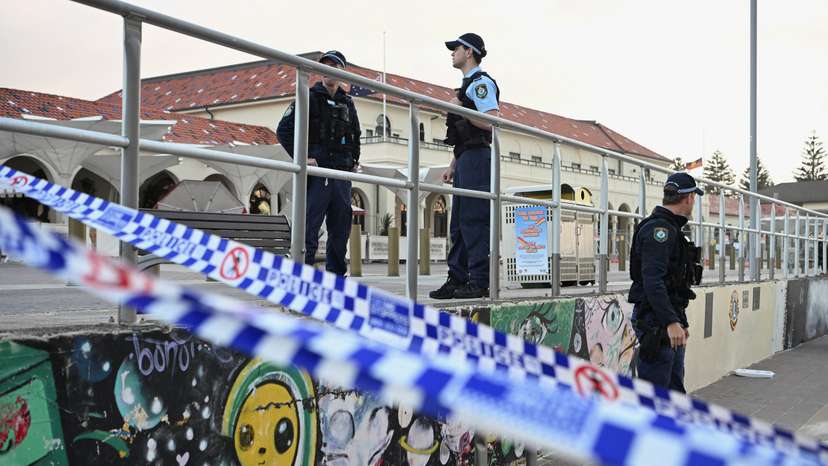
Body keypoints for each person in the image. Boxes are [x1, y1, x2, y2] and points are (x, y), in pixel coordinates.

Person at [276, 50, 361, 275]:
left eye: (333, 65)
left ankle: (336, 279)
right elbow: (283, 131)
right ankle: (302, 277)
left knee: (340, 231)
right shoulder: (308, 96)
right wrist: (302, 157)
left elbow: (356, 133)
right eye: (324, 65)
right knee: (308, 230)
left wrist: (354, 161)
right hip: (318, 174)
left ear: (342, 71)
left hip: (342, 175)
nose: (327, 69)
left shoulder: (348, 102)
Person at [429, 33, 500, 300]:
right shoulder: (467, 85)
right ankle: (457, 277)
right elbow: (465, 134)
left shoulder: (480, 83)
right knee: (458, 223)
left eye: (456, 48)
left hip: (479, 159)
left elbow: (491, 121)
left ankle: (479, 280)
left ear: (469, 52)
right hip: (466, 158)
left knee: (474, 220)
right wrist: (453, 164)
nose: (452, 52)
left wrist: (461, 107)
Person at [628, 172, 704, 393]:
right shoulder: (659, 231)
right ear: (688, 198)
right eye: (693, 198)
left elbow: (673, 284)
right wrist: (671, 322)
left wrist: (680, 321)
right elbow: (653, 281)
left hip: (666, 319)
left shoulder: (670, 229)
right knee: (657, 395)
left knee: (673, 390)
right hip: (656, 322)